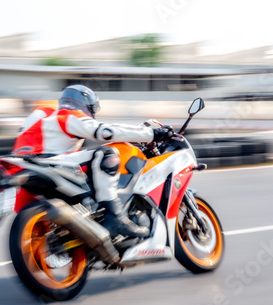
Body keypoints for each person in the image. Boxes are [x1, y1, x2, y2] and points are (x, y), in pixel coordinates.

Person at [12, 85, 174, 238]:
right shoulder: (69, 115)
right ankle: (114, 217)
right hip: (47, 162)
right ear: (87, 106)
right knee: (106, 154)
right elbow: (106, 132)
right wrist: (151, 134)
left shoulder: (40, 115)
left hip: (21, 166)